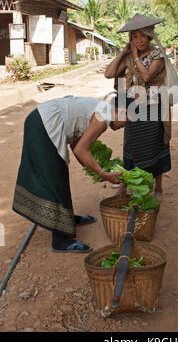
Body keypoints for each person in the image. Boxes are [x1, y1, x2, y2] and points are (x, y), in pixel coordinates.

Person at [12, 93, 131, 253]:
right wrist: (103, 174)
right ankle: (60, 241)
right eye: (127, 120)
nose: (125, 125)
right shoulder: (103, 117)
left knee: (59, 175)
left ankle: (66, 220)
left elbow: (77, 147)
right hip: (42, 125)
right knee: (54, 180)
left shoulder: (101, 111)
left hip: (41, 120)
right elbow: (81, 150)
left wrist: (97, 170)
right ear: (121, 111)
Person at [105, 14, 171, 202]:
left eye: (142, 35)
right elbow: (109, 74)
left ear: (150, 35)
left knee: (155, 146)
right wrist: (124, 52)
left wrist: (134, 56)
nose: (139, 40)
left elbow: (148, 76)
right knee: (131, 148)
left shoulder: (157, 54)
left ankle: (158, 187)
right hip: (132, 109)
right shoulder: (127, 56)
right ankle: (126, 186)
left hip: (154, 108)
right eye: (134, 36)